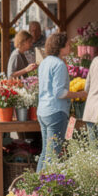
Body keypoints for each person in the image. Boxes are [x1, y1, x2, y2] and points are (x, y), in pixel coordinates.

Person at [36, 32, 87, 171]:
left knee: (45, 152)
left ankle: (35, 187)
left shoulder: (44, 62)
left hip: (43, 111)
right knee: (53, 154)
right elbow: (60, 93)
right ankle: (45, 188)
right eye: (68, 44)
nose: (70, 47)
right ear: (61, 46)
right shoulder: (59, 64)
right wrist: (79, 94)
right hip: (56, 111)